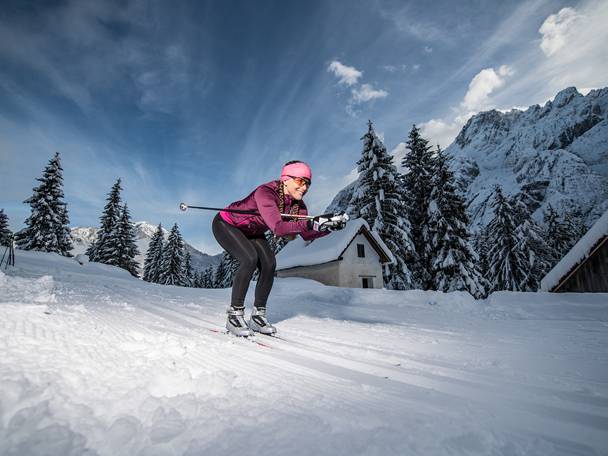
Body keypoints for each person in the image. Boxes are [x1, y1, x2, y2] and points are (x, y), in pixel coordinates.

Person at [212, 160, 346, 336]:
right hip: (227, 224)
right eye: (300, 181)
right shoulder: (266, 193)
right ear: (286, 179)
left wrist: (326, 228)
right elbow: (278, 228)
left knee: (269, 264)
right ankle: (234, 315)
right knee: (249, 259)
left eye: (308, 183)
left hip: (254, 231)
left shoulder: (299, 205)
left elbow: (306, 234)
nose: (304, 187)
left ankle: (258, 316)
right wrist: (312, 223)